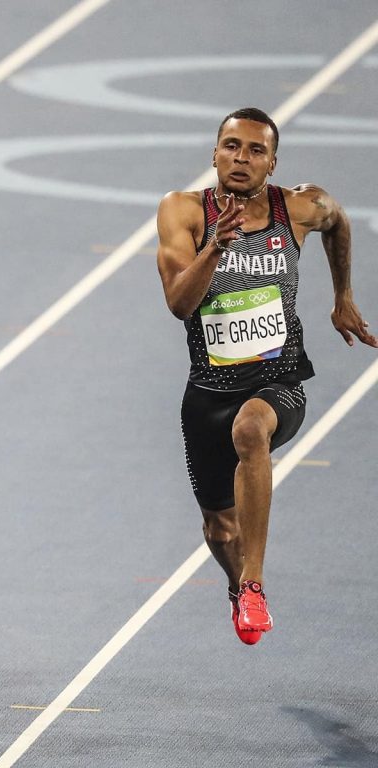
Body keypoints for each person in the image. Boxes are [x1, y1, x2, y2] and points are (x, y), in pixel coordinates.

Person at [156, 107, 376, 644]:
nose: (241, 157)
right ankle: (239, 585)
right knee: (218, 528)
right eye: (231, 146)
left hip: (277, 380)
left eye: (256, 150)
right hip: (207, 392)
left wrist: (342, 295)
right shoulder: (182, 212)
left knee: (252, 430)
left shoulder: (299, 207)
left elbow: (339, 220)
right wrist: (216, 246)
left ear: (272, 163)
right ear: (214, 153)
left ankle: (253, 583)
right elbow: (180, 305)